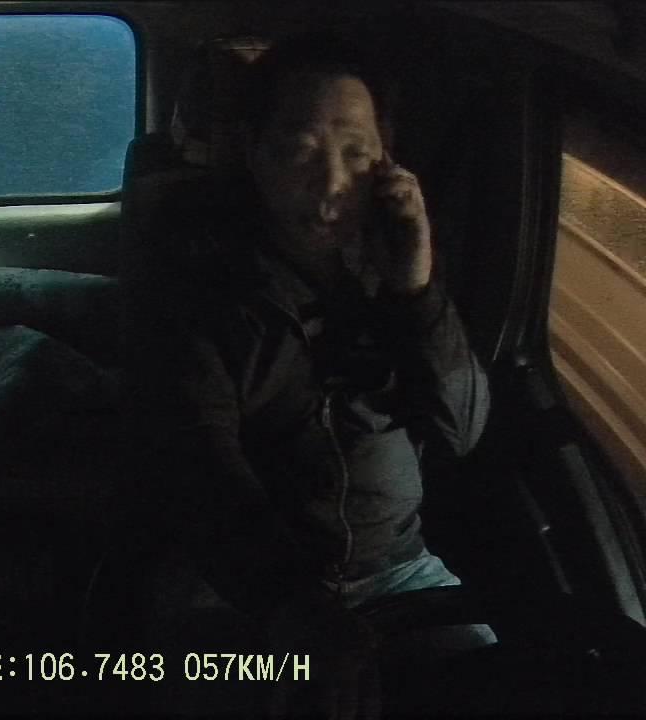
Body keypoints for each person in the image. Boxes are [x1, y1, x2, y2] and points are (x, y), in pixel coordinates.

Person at [128, 32, 494, 718]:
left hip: (399, 572)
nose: (331, 185)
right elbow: (199, 469)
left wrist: (417, 288)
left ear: (386, 160)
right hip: (236, 583)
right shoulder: (199, 287)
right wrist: (290, 605)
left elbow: (462, 430)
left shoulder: (392, 271)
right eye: (300, 151)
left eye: (356, 154)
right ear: (253, 151)